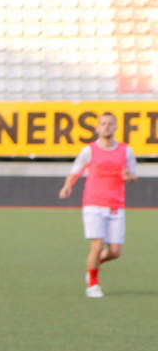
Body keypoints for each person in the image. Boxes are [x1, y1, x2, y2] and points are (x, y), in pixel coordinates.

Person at [59, 111, 139, 299]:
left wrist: (129, 177)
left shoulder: (125, 150)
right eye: (103, 123)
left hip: (116, 206)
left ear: (116, 127)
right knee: (97, 245)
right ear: (97, 128)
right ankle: (93, 284)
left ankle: (93, 267)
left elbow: (134, 175)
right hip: (93, 204)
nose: (106, 127)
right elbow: (75, 170)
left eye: (110, 123)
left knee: (115, 251)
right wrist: (67, 186)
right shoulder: (89, 150)